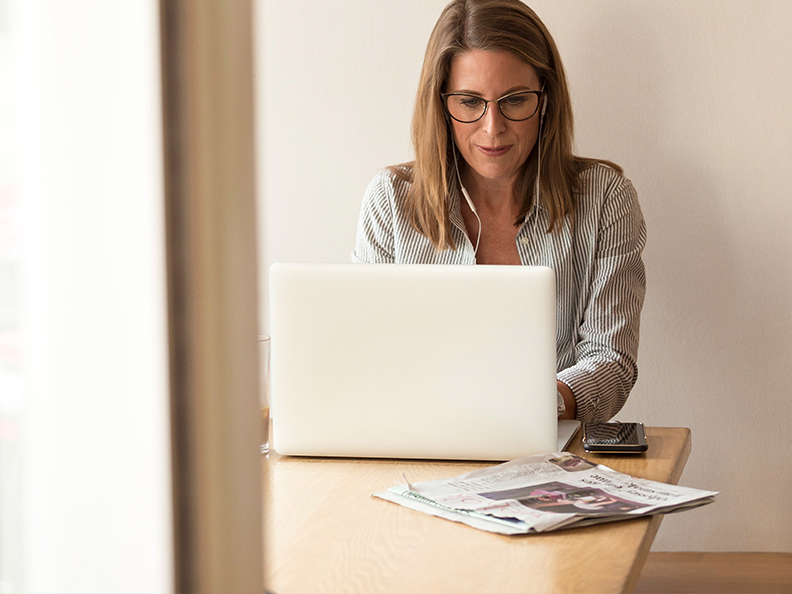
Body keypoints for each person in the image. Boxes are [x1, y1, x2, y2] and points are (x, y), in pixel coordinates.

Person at [352, 0, 646, 423]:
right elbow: (365, 354)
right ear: (440, 104)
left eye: (514, 100)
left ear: (545, 99)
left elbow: (612, 361)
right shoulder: (390, 200)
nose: (493, 128)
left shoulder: (604, 198)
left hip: (550, 449)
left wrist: (540, 404)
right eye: (470, 102)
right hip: (417, 443)